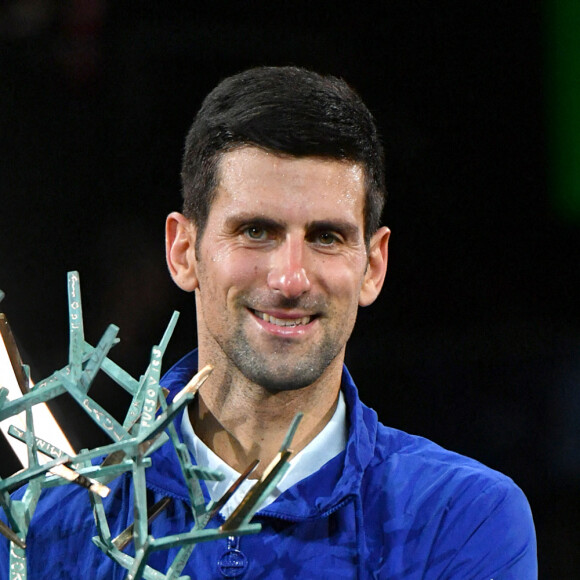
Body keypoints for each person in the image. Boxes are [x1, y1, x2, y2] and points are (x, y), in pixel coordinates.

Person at [1, 66, 536, 579]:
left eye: (326, 237)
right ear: (184, 251)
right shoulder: (50, 524)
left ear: (373, 266)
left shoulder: (462, 518)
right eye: (256, 231)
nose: (291, 279)